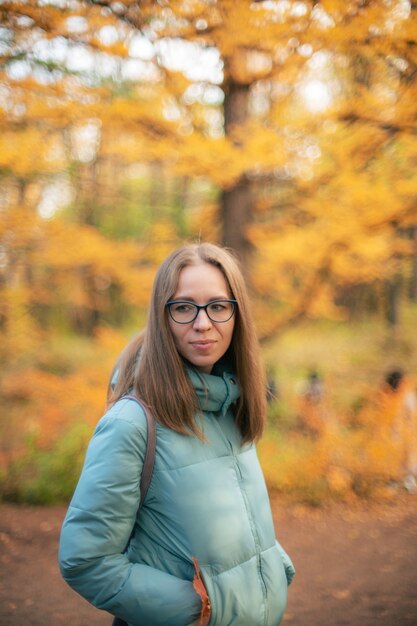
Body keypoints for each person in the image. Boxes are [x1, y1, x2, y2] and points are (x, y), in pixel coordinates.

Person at [58, 242, 295, 626]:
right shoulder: (131, 424)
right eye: (184, 307)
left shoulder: (230, 405)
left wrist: (273, 569)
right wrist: (199, 608)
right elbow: (86, 560)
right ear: (162, 317)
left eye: (218, 306)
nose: (203, 323)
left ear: (238, 315)